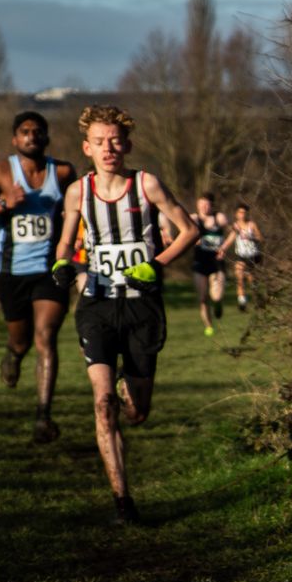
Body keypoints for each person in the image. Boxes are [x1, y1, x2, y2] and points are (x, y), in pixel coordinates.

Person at [49, 105, 198, 525]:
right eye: (100, 142)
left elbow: (190, 230)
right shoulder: (78, 192)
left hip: (141, 307)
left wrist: (156, 265)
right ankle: (122, 503)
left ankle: (128, 387)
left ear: (127, 145)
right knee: (103, 404)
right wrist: (62, 263)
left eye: (115, 141)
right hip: (96, 304)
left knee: (138, 412)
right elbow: (65, 243)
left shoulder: (146, 184)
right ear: (87, 148)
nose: (108, 149)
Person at [0, 110, 76, 441]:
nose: (31, 136)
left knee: (46, 337)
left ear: (47, 137)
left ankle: (43, 416)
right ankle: (13, 356)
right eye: (25, 131)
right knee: (21, 340)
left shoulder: (64, 172)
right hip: (11, 271)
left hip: (50, 270)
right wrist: (4, 204)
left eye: (37, 131)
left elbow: (78, 211)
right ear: (15, 139)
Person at [189, 194, 229, 336]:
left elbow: (233, 232)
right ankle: (209, 326)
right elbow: (183, 232)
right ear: (197, 205)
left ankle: (218, 305)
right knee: (203, 298)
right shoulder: (193, 219)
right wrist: (192, 240)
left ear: (212, 205)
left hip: (216, 262)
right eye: (201, 204)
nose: (204, 207)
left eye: (207, 204)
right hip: (200, 262)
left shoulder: (219, 218)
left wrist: (224, 247)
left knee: (216, 296)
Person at [220, 202, 263, 310]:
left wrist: (251, 237)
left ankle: (258, 299)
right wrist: (222, 249)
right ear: (236, 214)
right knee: (239, 277)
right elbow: (230, 239)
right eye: (240, 212)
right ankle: (242, 302)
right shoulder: (236, 227)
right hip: (241, 256)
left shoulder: (251, 225)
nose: (242, 215)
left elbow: (260, 238)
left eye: (244, 212)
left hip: (253, 256)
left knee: (252, 280)